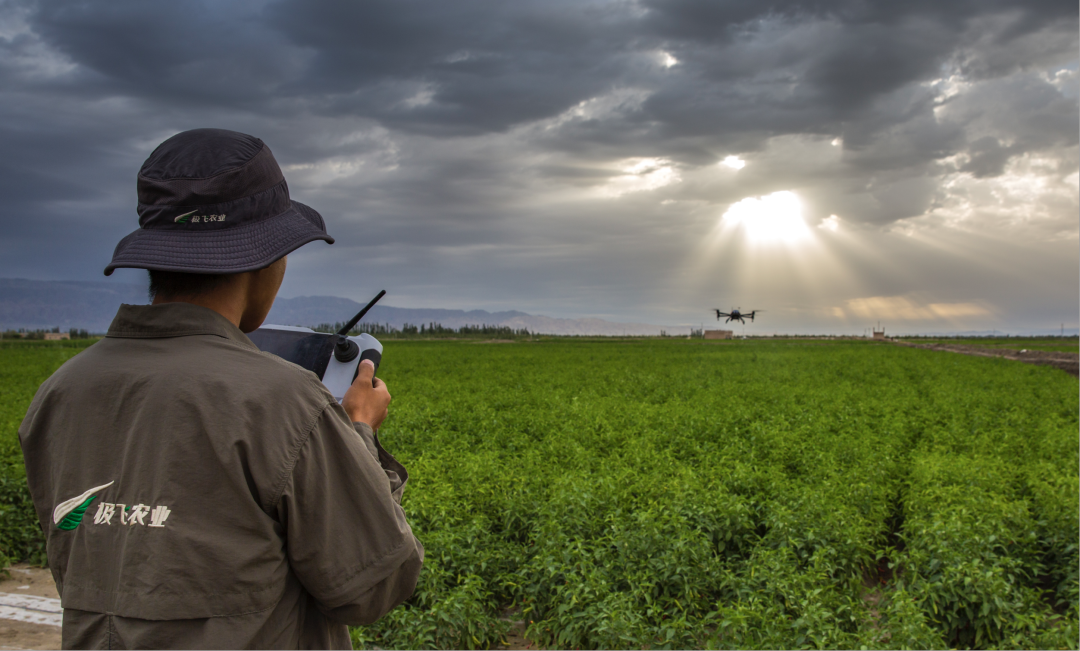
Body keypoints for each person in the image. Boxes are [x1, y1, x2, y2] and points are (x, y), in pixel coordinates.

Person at [18, 129, 423, 649]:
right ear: (266, 260)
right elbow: (372, 584)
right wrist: (359, 434)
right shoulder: (284, 403)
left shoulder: (59, 394)